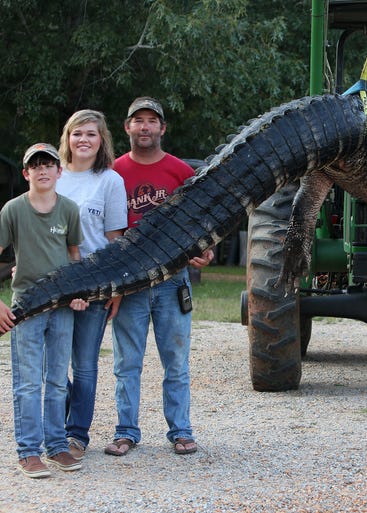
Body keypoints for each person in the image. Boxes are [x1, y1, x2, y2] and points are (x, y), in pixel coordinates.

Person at [105, 97, 213, 457]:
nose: (146, 127)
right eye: (139, 121)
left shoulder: (181, 172)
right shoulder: (113, 172)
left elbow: (205, 215)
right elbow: (110, 228)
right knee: (126, 364)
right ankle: (125, 431)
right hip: (131, 282)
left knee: (176, 363)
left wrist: (206, 247)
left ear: (162, 128)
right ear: (128, 128)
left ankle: (181, 431)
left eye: (152, 121)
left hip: (172, 281)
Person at [0, 143, 89, 478]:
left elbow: (74, 257)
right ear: (26, 173)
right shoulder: (12, 210)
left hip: (62, 306)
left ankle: (56, 446)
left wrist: (79, 293)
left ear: (59, 171)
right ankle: (28, 452)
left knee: (56, 381)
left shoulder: (68, 209)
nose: (42, 170)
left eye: (48, 164)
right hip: (27, 305)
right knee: (27, 382)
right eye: (35, 165)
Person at [56, 110, 128, 460]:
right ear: (67, 138)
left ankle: (76, 434)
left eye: (91, 134)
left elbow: (116, 239)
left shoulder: (109, 180)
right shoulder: (52, 175)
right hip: (54, 282)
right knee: (46, 360)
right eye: (77, 133)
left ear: (102, 141)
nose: (83, 140)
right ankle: (61, 412)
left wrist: (116, 287)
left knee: (84, 363)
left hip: (95, 283)